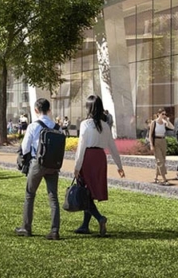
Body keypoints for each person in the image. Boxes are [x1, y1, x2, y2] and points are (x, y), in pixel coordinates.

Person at [71, 95, 125, 236]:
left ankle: (100, 218)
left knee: (85, 193)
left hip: (88, 158)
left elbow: (81, 146)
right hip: (100, 158)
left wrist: (77, 167)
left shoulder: (85, 124)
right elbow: (112, 147)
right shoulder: (105, 126)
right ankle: (85, 225)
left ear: (89, 108)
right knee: (89, 193)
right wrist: (119, 166)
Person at [16, 98, 63, 239]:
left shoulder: (33, 126)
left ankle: (26, 227)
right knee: (53, 197)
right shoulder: (57, 127)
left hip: (38, 163)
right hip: (53, 164)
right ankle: (54, 230)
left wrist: (24, 158)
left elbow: (25, 147)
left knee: (30, 195)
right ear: (49, 110)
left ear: (36, 110)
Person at [149, 110, 173, 184]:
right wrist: (151, 144)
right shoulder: (154, 122)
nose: (164, 115)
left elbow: (172, 127)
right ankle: (164, 179)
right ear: (158, 114)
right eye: (162, 114)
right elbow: (150, 135)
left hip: (163, 141)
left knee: (162, 160)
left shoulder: (164, 122)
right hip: (156, 141)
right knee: (160, 160)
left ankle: (156, 177)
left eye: (165, 114)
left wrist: (167, 121)